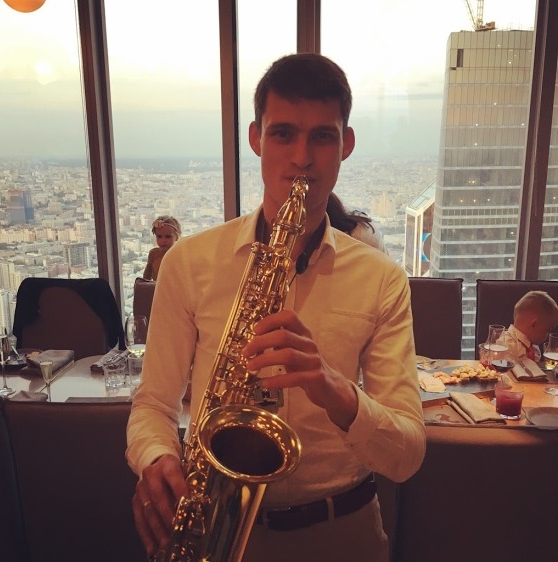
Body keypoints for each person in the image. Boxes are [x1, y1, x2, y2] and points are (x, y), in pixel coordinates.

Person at [126, 53, 425, 562]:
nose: (302, 157)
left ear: (346, 145)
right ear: (256, 138)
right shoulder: (188, 263)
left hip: (344, 534)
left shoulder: (383, 280)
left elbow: (406, 456)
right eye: (283, 133)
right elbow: (153, 406)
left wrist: (333, 388)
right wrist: (156, 458)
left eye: (322, 136)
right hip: (217, 527)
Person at [502, 290, 558, 362]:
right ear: (534, 324)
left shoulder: (532, 345)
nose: (548, 335)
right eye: (548, 329)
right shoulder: (507, 346)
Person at [142, 215, 182, 281]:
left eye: (168, 236)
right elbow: (145, 279)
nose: (163, 240)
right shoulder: (153, 254)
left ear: (177, 236)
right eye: (159, 236)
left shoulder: (181, 255)